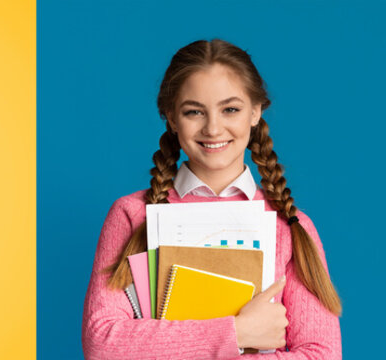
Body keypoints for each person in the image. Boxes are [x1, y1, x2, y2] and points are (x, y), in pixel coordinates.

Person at [81, 39, 342, 359]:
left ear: (256, 111)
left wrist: (167, 348)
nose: (214, 128)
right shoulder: (132, 214)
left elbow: (321, 354)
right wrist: (237, 333)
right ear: (172, 117)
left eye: (230, 109)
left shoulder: (289, 226)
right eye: (194, 112)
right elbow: (103, 345)